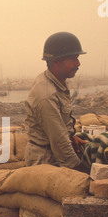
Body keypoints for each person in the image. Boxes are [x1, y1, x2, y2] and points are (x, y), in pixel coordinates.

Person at [24, 32, 88, 172]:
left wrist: (72, 137)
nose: (78, 64)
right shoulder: (46, 94)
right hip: (45, 160)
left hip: (56, 154)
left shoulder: (58, 82)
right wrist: (80, 168)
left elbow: (61, 126)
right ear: (57, 61)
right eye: (73, 59)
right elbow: (59, 141)